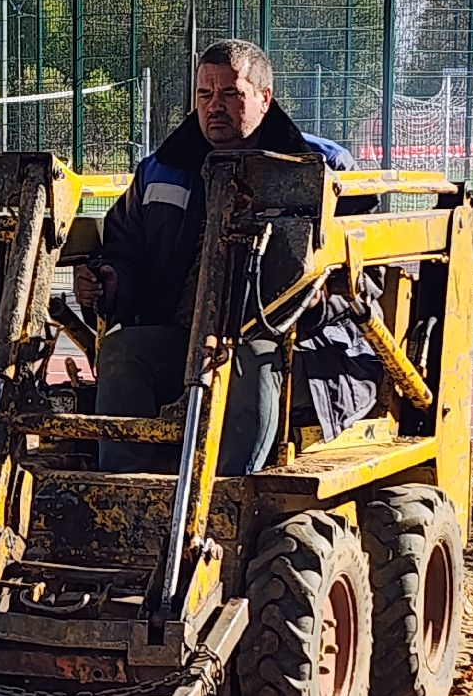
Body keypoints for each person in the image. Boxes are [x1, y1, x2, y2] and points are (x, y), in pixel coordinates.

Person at [74, 38, 380, 476]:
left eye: (230, 94)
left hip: (291, 344)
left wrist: (319, 303)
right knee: (123, 349)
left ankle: (230, 495)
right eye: (204, 94)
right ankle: (123, 487)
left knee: (248, 359)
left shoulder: (321, 167)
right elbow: (125, 248)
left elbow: (369, 277)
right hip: (183, 337)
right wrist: (109, 281)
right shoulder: (161, 169)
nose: (214, 106)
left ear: (264, 97)